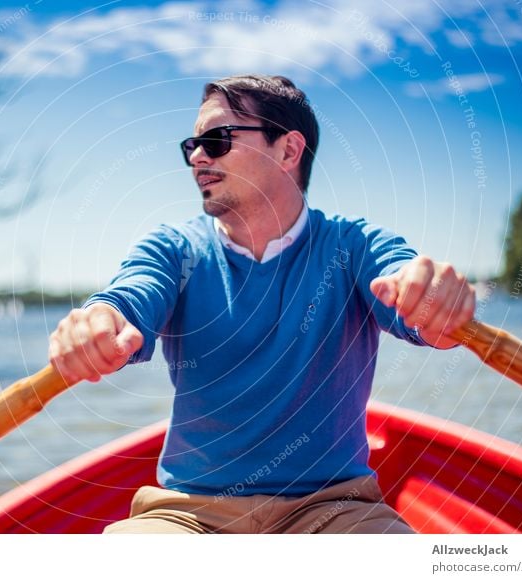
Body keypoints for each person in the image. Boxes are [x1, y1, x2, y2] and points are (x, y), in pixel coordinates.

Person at [48, 75, 475, 534]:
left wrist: (434, 302)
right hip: (190, 512)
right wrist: (100, 320)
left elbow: (418, 300)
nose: (197, 156)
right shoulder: (173, 250)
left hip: (334, 507)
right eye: (192, 144)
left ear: (289, 150)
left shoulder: (354, 246)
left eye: (217, 139)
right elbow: (131, 295)